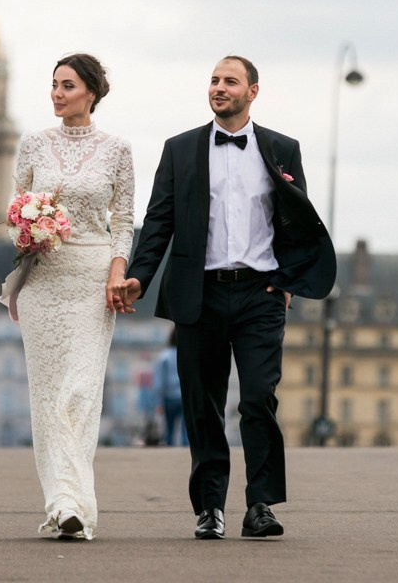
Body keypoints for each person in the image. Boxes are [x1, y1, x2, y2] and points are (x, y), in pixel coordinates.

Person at [113, 55, 336, 541]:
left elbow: (297, 221)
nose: (218, 88)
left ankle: (260, 506)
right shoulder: (180, 149)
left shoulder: (282, 149)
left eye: (230, 81)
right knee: (202, 404)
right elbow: (158, 222)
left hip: (261, 293)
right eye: (214, 80)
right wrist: (138, 278)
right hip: (199, 294)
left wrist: (289, 281)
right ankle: (209, 507)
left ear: (252, 92)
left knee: (258, 398)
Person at [2, 53, 134, 540]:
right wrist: (30, 228)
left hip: (92, 280)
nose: (57, 93)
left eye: (68, 85)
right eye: (54, 84)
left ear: (91, 93)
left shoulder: (117, 149)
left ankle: (74, 499)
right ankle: (63, 503)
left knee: (79, 393)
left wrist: (117, 273)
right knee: (48, 395)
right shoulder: (33, 145)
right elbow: (15, 212)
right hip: (43, 281)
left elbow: (122, 222)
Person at [154, 328, 188, 446]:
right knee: (186, 431)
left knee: (169, 430)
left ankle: (169, 456)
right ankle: (186, 457)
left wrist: (159, 403)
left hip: (169, 398)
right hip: (185, 397)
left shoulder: (164, 356)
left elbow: (159, 382)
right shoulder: (187, 354)